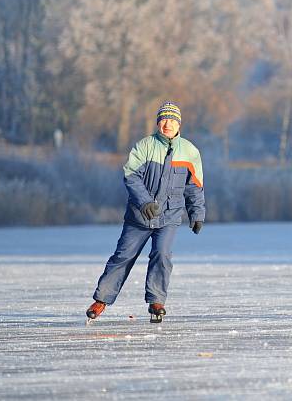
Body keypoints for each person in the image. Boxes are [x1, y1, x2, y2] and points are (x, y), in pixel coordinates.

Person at [85, 101, 206, 323]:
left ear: (179, 124)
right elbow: (131, 176)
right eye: (164, 119)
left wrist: (197, 213)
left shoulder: (190, 151)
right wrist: (144, 202)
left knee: (162, 254)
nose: (167, 124)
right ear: (158, 122)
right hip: (139, 217)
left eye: (172, 120)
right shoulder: (144, 146)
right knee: (123, 256)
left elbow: (195, 186)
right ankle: (101, 299)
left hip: (169, 216)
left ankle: (156, 302)